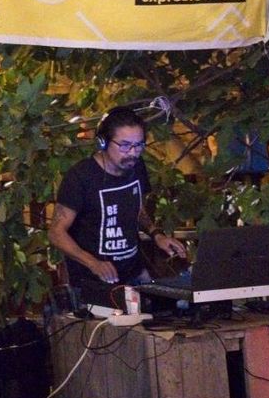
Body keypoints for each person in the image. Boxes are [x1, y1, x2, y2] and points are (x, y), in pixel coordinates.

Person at [48, 107, 186, 302]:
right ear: (103, 142)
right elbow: (56, 232)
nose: (132, 153)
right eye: (124, 145)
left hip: (133, 275)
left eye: (139, 145)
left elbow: (136, 209)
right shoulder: (80, 177)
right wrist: (93, 263)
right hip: (92, 283)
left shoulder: (137, 167)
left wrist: (157, 235)